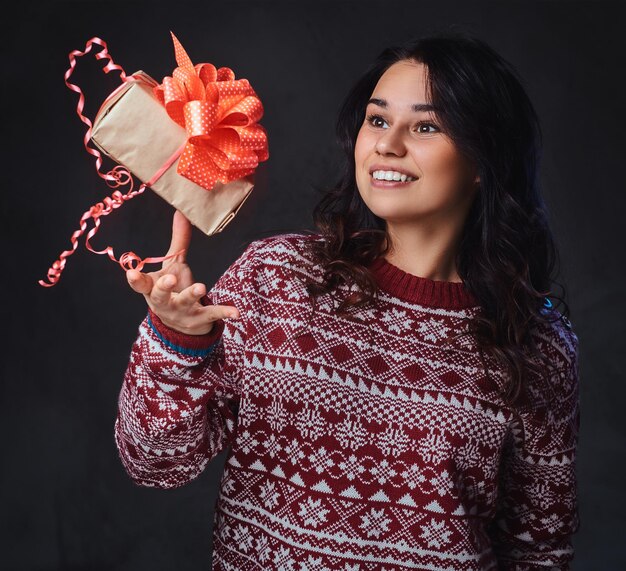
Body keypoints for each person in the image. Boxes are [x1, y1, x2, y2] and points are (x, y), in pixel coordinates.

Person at [116, 31, 581, 571]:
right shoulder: (276, 278)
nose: (387, 144)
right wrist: (178, 343)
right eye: (377, 120)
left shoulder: (538, 344)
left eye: (426, 126)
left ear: (483, 159)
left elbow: (539, 551)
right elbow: (155, 463)